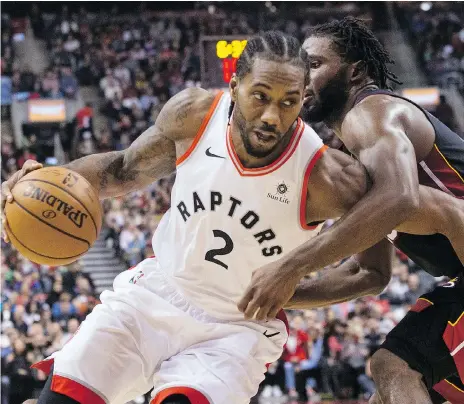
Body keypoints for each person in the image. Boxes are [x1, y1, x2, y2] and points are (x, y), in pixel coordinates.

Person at [0, 31, 378, 404]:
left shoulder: (328, 178)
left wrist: (290, 290)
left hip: (235, 330)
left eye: (288, 102)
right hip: (157, 293)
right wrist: (46, 181)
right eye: (260, 97)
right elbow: (121, 169)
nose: (271, 117)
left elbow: (370, 273)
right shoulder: (195, 115)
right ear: (234, 86)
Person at [238, 18, 463, 404]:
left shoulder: (372, 112)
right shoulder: (350, 159)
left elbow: (402, 199)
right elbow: (368, 274)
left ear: (354, 70)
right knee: (391, 386)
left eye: (313, 65)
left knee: (395, 367)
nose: (301, 79)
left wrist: (289, 267)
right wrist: (267, 295)